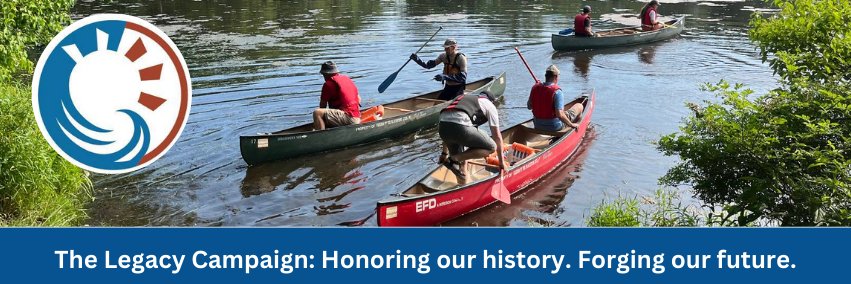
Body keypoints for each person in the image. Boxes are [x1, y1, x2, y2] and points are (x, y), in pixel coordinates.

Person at [438, 91, 506, 184]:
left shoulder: (463, 98)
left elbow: (449, 123)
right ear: (492, 101)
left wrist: (444, 153)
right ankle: (454, 159)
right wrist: (501, 163)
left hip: (442, 128)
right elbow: (497, 136)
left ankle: (462, 187)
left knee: (460, 168)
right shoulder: (489, 105)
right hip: (461, 127)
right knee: (492, 147)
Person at [527, 65, 583, 131]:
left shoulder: (534, 88)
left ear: (546, 76)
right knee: (579, 106)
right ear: (555, 77)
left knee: (563, 111)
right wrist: (571, 124)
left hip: (537, 125)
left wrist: (538, 88)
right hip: (555, 126)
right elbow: (559, 115)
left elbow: (529, 107)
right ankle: (577, 128)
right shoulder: (557, 91)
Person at [312, 61, 361, 130]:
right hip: (357, 116)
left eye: (323, 74)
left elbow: (322, 105)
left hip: (348, 118)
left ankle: (321, 135)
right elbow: (359, 99)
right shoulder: (347, 79)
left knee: (317, 113)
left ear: (326, 74)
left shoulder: (328, 84)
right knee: (326, 113)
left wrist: (321, 117)